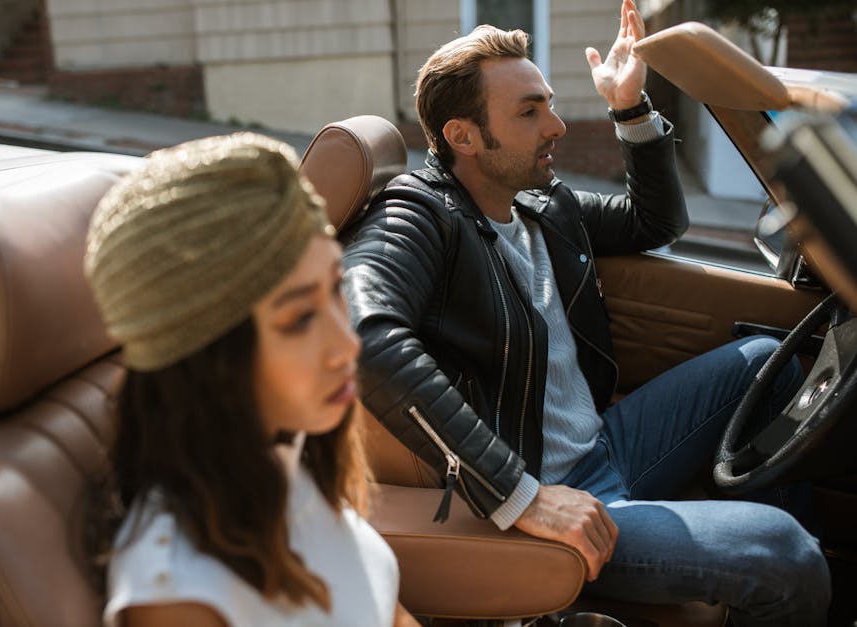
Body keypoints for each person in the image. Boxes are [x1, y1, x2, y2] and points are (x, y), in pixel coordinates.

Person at [339, 1, 830, 625]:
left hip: (606, 443)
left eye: (547, 102)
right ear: (462, 136)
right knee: (783, 552)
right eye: (529, 111)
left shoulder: (539, 204)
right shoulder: (417, 215)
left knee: (769, 360)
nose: (557, 126)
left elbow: (656, 223)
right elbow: (365, 338)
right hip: (545, 485)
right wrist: (518, 494)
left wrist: (628, 107)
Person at [84, 133, 418, 626]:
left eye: (336, 289)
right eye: (300, 319)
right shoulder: (182, 593)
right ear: (207, 355)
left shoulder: (286, 461)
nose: (348, 344)